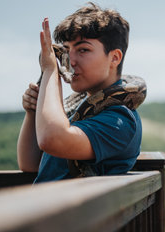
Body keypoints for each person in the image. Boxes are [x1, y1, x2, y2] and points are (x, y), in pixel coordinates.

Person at [17, 3, 145, 183]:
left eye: (83, 50)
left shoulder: (120, 120)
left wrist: (51, 71)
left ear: (114, 58)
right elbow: (30, 164)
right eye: (66, 51)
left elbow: (52, 139)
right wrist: (32, 112)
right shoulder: (76, 106)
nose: (70, 61)